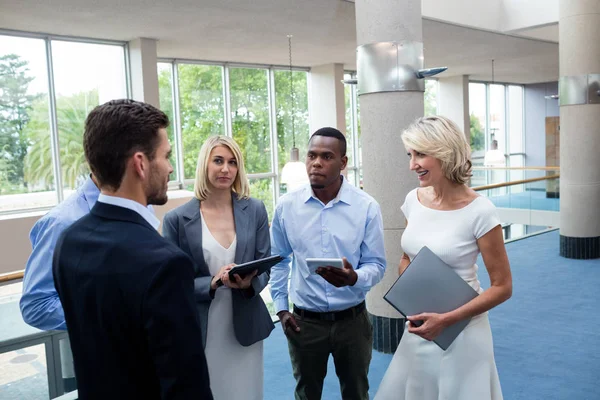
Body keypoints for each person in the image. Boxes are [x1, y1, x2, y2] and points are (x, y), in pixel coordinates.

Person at [52, 99, 213, 400]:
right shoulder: (166, 264)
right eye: (166, 156)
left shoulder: (68, 242)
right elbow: (185, 386)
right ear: (140, 163)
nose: (170, 167)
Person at [374, 116, 512, 400]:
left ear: (446, 153)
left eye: (421, 154)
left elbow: (503, 286)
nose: (412, 164)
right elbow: (407, 258)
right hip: (421, 325)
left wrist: (447, 319)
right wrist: (417, 296)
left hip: (463, 329)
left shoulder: (480, 211)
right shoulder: (414, 199)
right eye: (410, 155)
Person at [270, 127, 386, 400]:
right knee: (306, 394)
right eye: (312, 155)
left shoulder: (366, 207)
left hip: (353, 322)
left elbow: (377, 264)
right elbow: (279, 261)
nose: (316, 163)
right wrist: (281, 309)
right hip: (304, 324)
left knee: (357, 393)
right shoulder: (287, 206)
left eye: (326, 156)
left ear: (343, 163)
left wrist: (354, 278)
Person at [162, 135, 274, 400]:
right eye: (219, 161)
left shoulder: (255, 209)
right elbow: (170, 283)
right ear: (205, 165)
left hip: (245, 325)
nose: (226, 169)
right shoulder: (176, 220)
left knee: (246, 393)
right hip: (201, 328)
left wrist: (250, 284)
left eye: (233, 162)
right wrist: (211, 283)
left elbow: (266, 266)